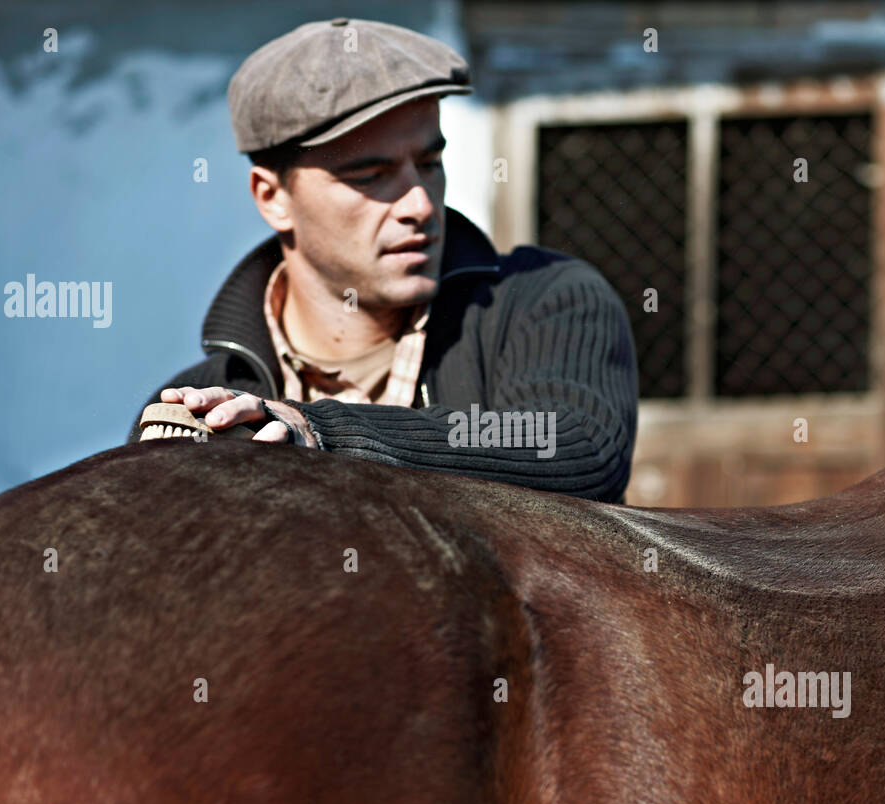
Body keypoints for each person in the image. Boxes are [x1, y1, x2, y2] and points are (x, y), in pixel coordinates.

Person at [127, 17, 638, 502]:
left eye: (429, 163)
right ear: (272, 197)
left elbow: (575, 445)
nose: (419, 205)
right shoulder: (198, 404)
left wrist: (322, 432)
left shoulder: (545, 299)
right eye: (369, 175)